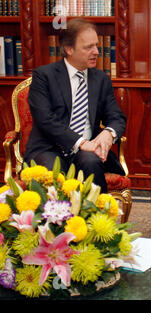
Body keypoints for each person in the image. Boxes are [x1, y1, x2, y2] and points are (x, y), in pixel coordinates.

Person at [25, 18, 127, 193]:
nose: (96, 51)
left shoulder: (101, 79)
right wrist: (80, 142)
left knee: (91, 162)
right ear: (69, 49)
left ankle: (97, 217)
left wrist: (108, 133)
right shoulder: (44, 76)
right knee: (52, 175)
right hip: (49, 148)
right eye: (88, 47)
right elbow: (45, 120)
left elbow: (116, 117)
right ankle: (56, 220)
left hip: (88, 151)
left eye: (96, 45)